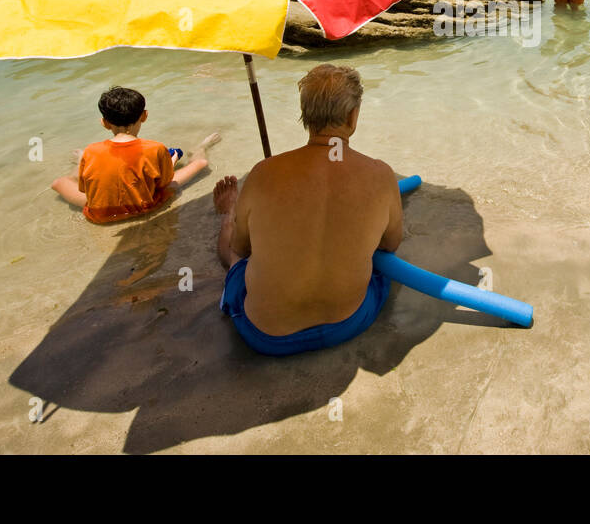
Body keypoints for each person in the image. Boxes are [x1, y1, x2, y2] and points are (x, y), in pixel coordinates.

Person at [214, 65, 402, 355]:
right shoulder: (381, 174)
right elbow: (390, 244)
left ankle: (227, 211)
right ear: (353, 116)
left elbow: (242, 247)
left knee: (234, 252)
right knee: (377, 263)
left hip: (265, 336)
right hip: (348, 322)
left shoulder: (264, 173)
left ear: (306, 116)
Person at [51, 86, 219, 223]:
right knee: (200, 164)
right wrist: (171, 161)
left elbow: (86, 189)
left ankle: (80, 162)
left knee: (60, 182)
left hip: (100, 214)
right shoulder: (155, 148)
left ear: (104, 123)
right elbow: (163, 183)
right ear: (144, 116)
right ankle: (201, 147)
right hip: (145, 207)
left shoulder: (92, 150)